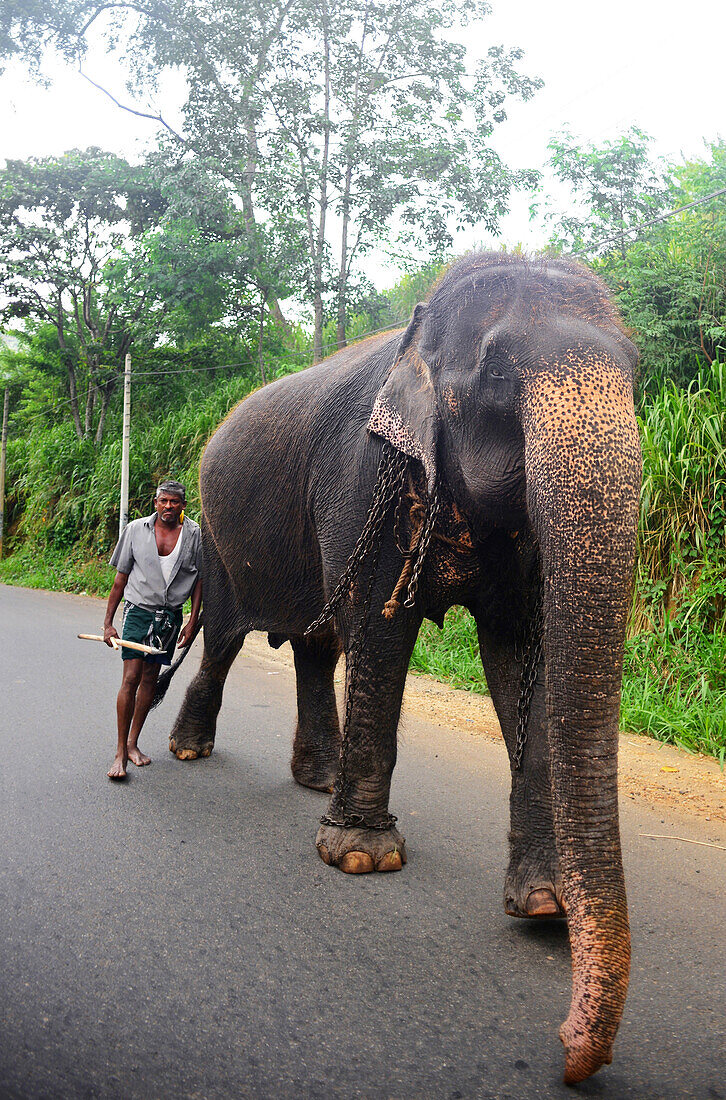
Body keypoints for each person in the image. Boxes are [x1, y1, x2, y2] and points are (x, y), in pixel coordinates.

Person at [103, 480, 202, 780]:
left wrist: (192, 619)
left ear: (183, 505)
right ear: (155, 502)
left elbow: (199, 581)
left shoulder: (195, 534)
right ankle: (120, 752)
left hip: (169, 619)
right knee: (131, 677)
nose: (168, 506)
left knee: (149, 679)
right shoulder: (135, 530)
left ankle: (133, 743)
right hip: (137, 612)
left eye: (174, 502)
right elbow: (120, 579)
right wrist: (108, 623)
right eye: (163, 501)